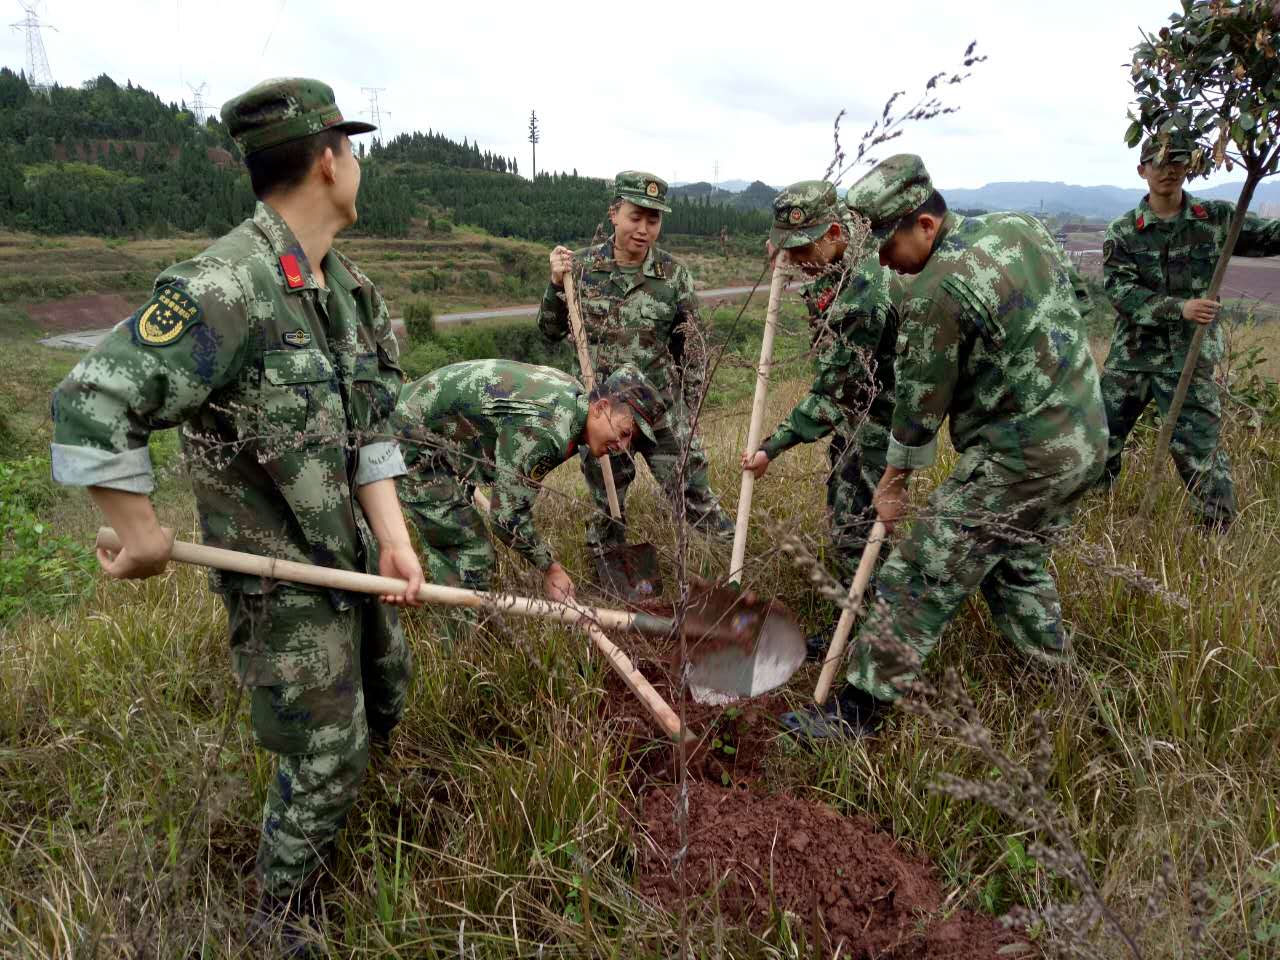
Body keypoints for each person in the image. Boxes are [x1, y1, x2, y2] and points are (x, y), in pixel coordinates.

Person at [49, 78, 424, 934]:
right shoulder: (227, 285)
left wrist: (395, 539)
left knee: (387, 696)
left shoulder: (348, 292)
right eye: (352, 150)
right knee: (324, 751)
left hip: (355, 561)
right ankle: (280, 915)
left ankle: (362, 837)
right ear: (329, 161)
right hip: (279, 579)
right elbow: (90, 400)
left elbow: (371, 432)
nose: (356, 164)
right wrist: (141, 531)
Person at [783, 154, 1107, 739]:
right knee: (1012, 560)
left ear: (925, 226)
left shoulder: (937, 291)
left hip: (1022, 455)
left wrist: (895, 483)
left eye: (888, 248)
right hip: (1085, 437)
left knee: (918, 569)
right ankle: (1064, 690)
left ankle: (858, 712)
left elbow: (919, 407)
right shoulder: (1019, 228)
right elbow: (1076, 305)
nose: (885, 263)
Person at [538, 171, 735, 558]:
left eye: (653, 220)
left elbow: (692, 352)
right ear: (614, 213)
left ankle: (729, 567)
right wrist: (555, 285)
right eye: (635, 217)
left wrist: (690, 414)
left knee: (694, 496)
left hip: (661, 411)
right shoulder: (580, 269)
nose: (644, 229)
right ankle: (610, 585)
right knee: (608, 511)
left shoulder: (674, 276)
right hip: (606, 416)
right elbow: (548, 332)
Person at [740, 181, 899, 658]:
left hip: (883, 418)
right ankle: (852, 624)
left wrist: (773, 445)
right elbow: (824, 284)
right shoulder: (841, 243)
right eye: (785, 248)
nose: (792, 261)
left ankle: (874, 643)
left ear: (833, 232)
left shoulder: (866, 291)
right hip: (858, 414)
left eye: (801, 249)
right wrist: (795, 256)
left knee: (859, 529)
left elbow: (833, 393)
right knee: (846, 515)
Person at [1099, 132, 1280, 531]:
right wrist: (1180, 308)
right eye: (1159, 163)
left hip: (1189, 359)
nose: (1168, 170)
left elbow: (1269, 236)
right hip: (1132, 358)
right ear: (1142, 169)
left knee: (1201, 452)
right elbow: (1120, 291)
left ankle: (1215, 535)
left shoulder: (1215, 220)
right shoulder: (1124, 231)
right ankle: (1095, 521)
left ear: (1190, 166)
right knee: (1100, 442)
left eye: (1177, 161)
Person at [392, 360, 659, 611]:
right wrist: (550, 568)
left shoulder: (572, 396)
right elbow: (506, 518)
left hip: (438, 431)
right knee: (470, 553)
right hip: (411, 440)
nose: (622, 447)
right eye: (623, 433)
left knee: (461, 531)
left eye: (630, 440)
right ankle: (458, 641)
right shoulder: (548, 431)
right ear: (600, 407)